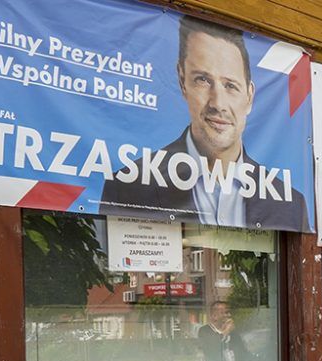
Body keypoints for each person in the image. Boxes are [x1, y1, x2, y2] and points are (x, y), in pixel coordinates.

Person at [100, 15, 308, 232]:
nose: (218, 103)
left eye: (230, 86)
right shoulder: (125, 186)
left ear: (250, 96)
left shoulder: (291, 204)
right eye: (203, 80)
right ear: (182, 81)